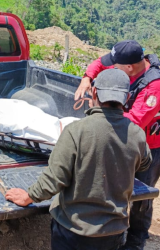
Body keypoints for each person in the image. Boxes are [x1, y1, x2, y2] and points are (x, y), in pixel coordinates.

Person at [5, 68, 152, 250]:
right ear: (127, 97)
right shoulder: (137, 134)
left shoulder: (76, 131)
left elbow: (55, 178)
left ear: (95, 92)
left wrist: (29, 196)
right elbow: (145, 163)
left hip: (74, 232)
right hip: (113, 232)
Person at [75, 40, 160, 250]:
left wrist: (98, 119)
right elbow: (100, 63)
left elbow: (135, 122)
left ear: (129, 67)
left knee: (141, 197)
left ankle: (136, 241)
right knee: (114, 186)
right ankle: (113, 231)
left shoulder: (154, 86)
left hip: (148, 146)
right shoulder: (127, 61)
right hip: (120, 136)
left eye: (116, 66)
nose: (112, 68)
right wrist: (87, 78)